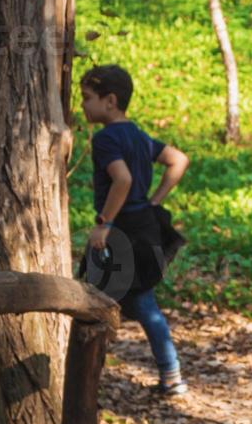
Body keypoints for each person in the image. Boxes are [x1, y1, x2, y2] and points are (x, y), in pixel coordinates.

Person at [78, 64, 191, 398]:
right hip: (144, 226)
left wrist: (104, 223)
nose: (82, 105)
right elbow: (178, 160)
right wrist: (153, 200)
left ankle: (83, 380)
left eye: (87, 98)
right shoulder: (138, 136)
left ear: (109, 101)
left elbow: (122, 179)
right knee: (142, 304)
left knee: (89, 301)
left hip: (120, 232)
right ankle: (171, 375)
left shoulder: (106, 139)